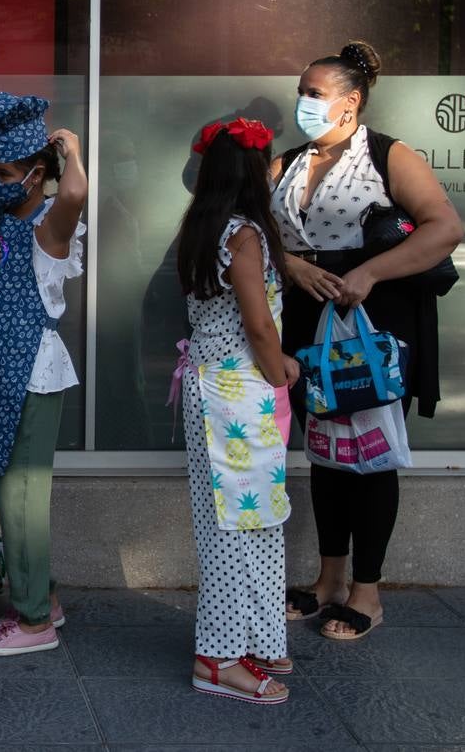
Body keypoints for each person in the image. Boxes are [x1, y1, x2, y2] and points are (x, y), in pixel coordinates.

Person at [271, 41, 463, 640]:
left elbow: (445, 228)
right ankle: (328, 580)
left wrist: (371, 272)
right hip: (306, 323)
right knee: (326, 456)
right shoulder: (287, 163)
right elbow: (245, 231)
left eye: (313, 94)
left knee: (371, 456)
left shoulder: (389, 155)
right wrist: (291, 264)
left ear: (350, 103)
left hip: (373, 326)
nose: (301, 102)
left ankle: (367, 592)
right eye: (299, 92)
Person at [0, 92, 88, 657]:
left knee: (23, 498)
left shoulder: (52, 226)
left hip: (30, 372)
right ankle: (41, 597)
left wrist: (68, 151)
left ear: (35, 175)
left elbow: (73, 189)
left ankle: (33, 625)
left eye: (4, 172)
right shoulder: (3, 210)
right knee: (9, 493)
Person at [175, 117, 296, 703]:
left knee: (252, 518)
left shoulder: (205, 225)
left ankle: (256, 637)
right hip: (236, 391)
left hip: (219, 388)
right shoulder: (244, 233)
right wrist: (280, 371)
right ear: (252, 169)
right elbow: (258, 322)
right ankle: (219, 659)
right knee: (238, 525)